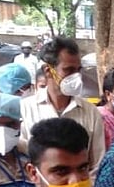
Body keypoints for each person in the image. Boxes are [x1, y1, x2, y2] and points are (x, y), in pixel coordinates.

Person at [20, 36, 104, 174]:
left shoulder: (91, 112)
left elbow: (97, 165)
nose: (76, 76)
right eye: (69, 70)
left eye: (78, 70)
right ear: (48, 71)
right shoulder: (25, 109)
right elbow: (23, 160)